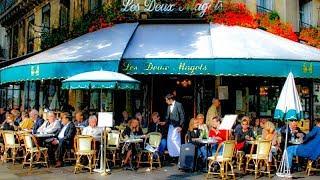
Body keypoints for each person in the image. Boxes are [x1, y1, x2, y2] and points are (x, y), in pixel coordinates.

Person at [164, 93, 185, 158]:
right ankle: (172, 155)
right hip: (170, 126)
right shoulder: (169, 106)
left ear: (170, 99)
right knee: (169, 140)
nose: (166, 101)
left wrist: (181, 126)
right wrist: (164, 122)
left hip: (177, 126)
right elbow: (168, 117)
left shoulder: (178, 104)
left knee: (175, 141)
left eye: (166, 100)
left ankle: (179, 155)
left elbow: (182, 116)